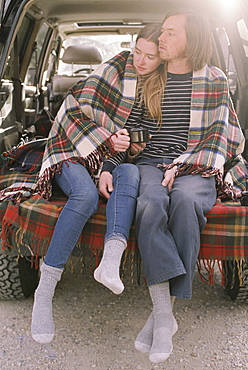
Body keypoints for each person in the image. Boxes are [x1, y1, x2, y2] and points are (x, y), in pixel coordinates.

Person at [99, 10, 247, 364]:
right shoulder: (149, 76)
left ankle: (163, 315)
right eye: (161, 32)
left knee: (184, 201)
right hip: (151, 162)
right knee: (150, 203)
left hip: (196, 163)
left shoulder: (212, 79)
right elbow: (130, 134)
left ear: (190, 40)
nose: (160, 38)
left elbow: (220, 135)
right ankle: (165, 317)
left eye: (169, 33)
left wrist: (184, 164)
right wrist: (110, 160)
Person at [31, 24, 165, 344]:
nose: (142, 61)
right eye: (138, 52)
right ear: (132, 48)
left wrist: (112, 160)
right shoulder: (114, 69)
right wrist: (107, 138)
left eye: (150, 56)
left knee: (130, 174)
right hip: (71, 146)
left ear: (163, 58)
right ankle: (43, 293)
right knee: (85, 196)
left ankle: (109, 263)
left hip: (107, 158)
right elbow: (75, 109)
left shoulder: (157, 89)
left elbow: (135, 145)